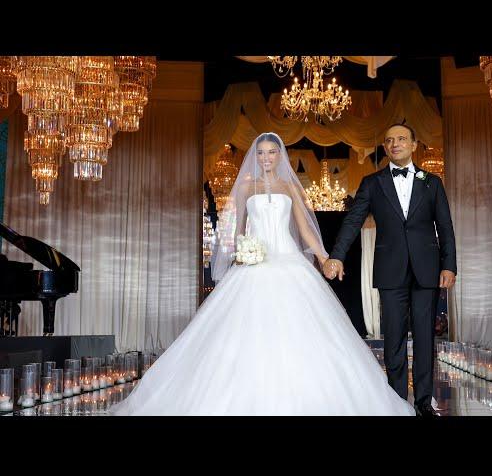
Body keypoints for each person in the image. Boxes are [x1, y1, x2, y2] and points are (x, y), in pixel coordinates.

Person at [109, 132, 414, 416]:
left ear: (280, 155)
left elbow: (305, 227)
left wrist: (323, 257)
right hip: (254, 265)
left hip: (288, 261)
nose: (267, 157)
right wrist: (240, 252)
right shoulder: (244, 187)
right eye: (261, 152)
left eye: (272, 152)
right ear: (255, 156)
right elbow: (239, 226)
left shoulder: (290, 187)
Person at [323, 124, 457, 417]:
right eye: (389, 140)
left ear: (413, 144)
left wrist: (449, 265)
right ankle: (396, 400)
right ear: (385, 148)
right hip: (390, 269)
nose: (395, 144)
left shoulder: (431, 182)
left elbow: (445, 227)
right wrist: (337, 256)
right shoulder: (373, 183)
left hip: (427, 269)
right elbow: (352, 221)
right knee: (393, 336)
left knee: (424, 336)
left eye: (401, 139)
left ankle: (423, 401)